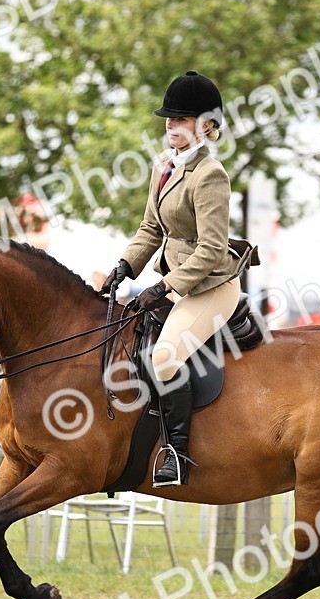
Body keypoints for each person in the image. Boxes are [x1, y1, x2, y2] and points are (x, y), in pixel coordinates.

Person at [100, 70, 238, 487]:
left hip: (211, 286)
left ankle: (177, 454)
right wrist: (125, 266)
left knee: (164, 356)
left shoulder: (210, 175)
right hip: (177, 282)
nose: (171, 126)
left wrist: (164, 286)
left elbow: (211, 249)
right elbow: (150, 229)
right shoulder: (164, 165)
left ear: (207, 126)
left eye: (181, 119)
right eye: (169, 119)